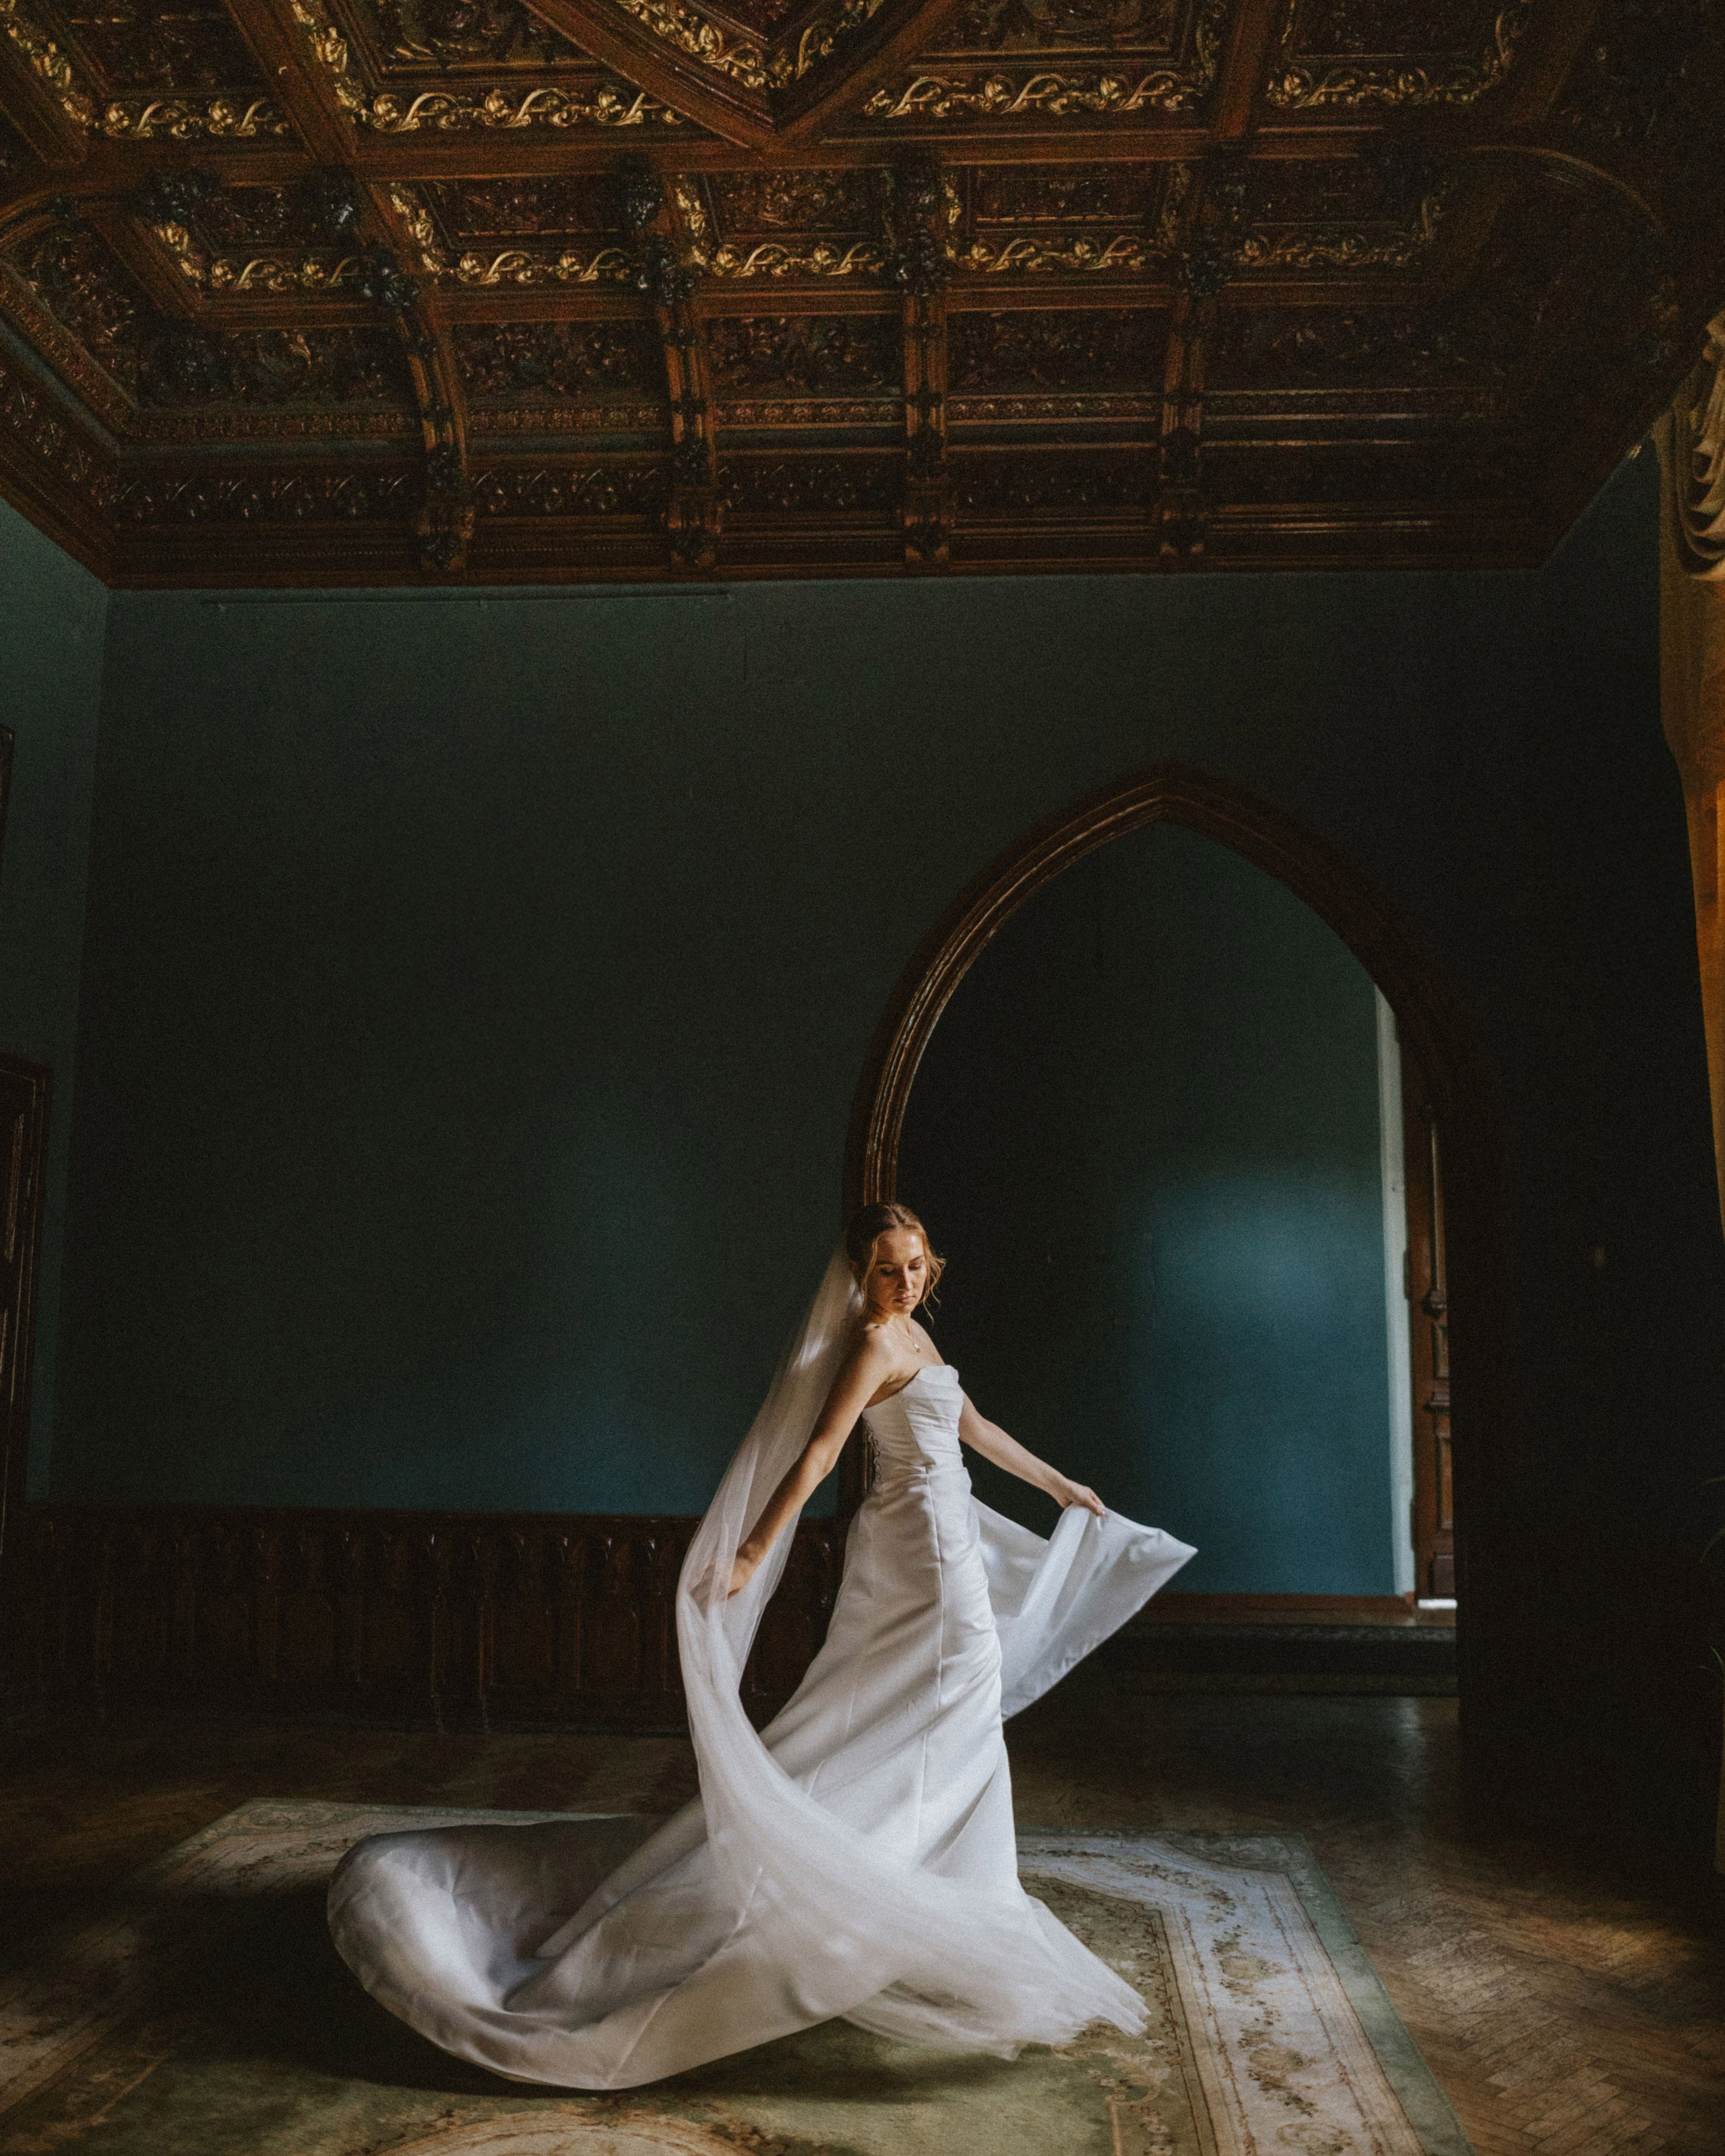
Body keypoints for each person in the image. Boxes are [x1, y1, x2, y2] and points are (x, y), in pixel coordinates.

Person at [328, 1202, 1195, 2089]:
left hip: (936, 1543)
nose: (907, 1281)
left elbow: (971, 1429)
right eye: (890, 1269)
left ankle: (936, 1900)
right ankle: (890, 1897)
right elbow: (821, 1453)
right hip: (922, 1557)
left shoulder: (917, 1339)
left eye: (917, 1264)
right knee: (948, 1711)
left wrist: (1060, 1485)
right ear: (863, 1276)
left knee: (930, 1719)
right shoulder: (872, 1341)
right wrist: (751, 1549)